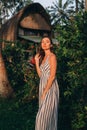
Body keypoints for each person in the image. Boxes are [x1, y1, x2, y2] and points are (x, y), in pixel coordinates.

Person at [35, 36, 59, 130]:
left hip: (50, 87)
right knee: (45, 115)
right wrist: (37, 62)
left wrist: (45, 91)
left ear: (51, 44)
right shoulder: (43, 57)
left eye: (47, 42)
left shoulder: (52, 56)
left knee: (42, 116)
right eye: (43, 42)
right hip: (43, 85)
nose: (44, 43)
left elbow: (52, 76)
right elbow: (41, 75)